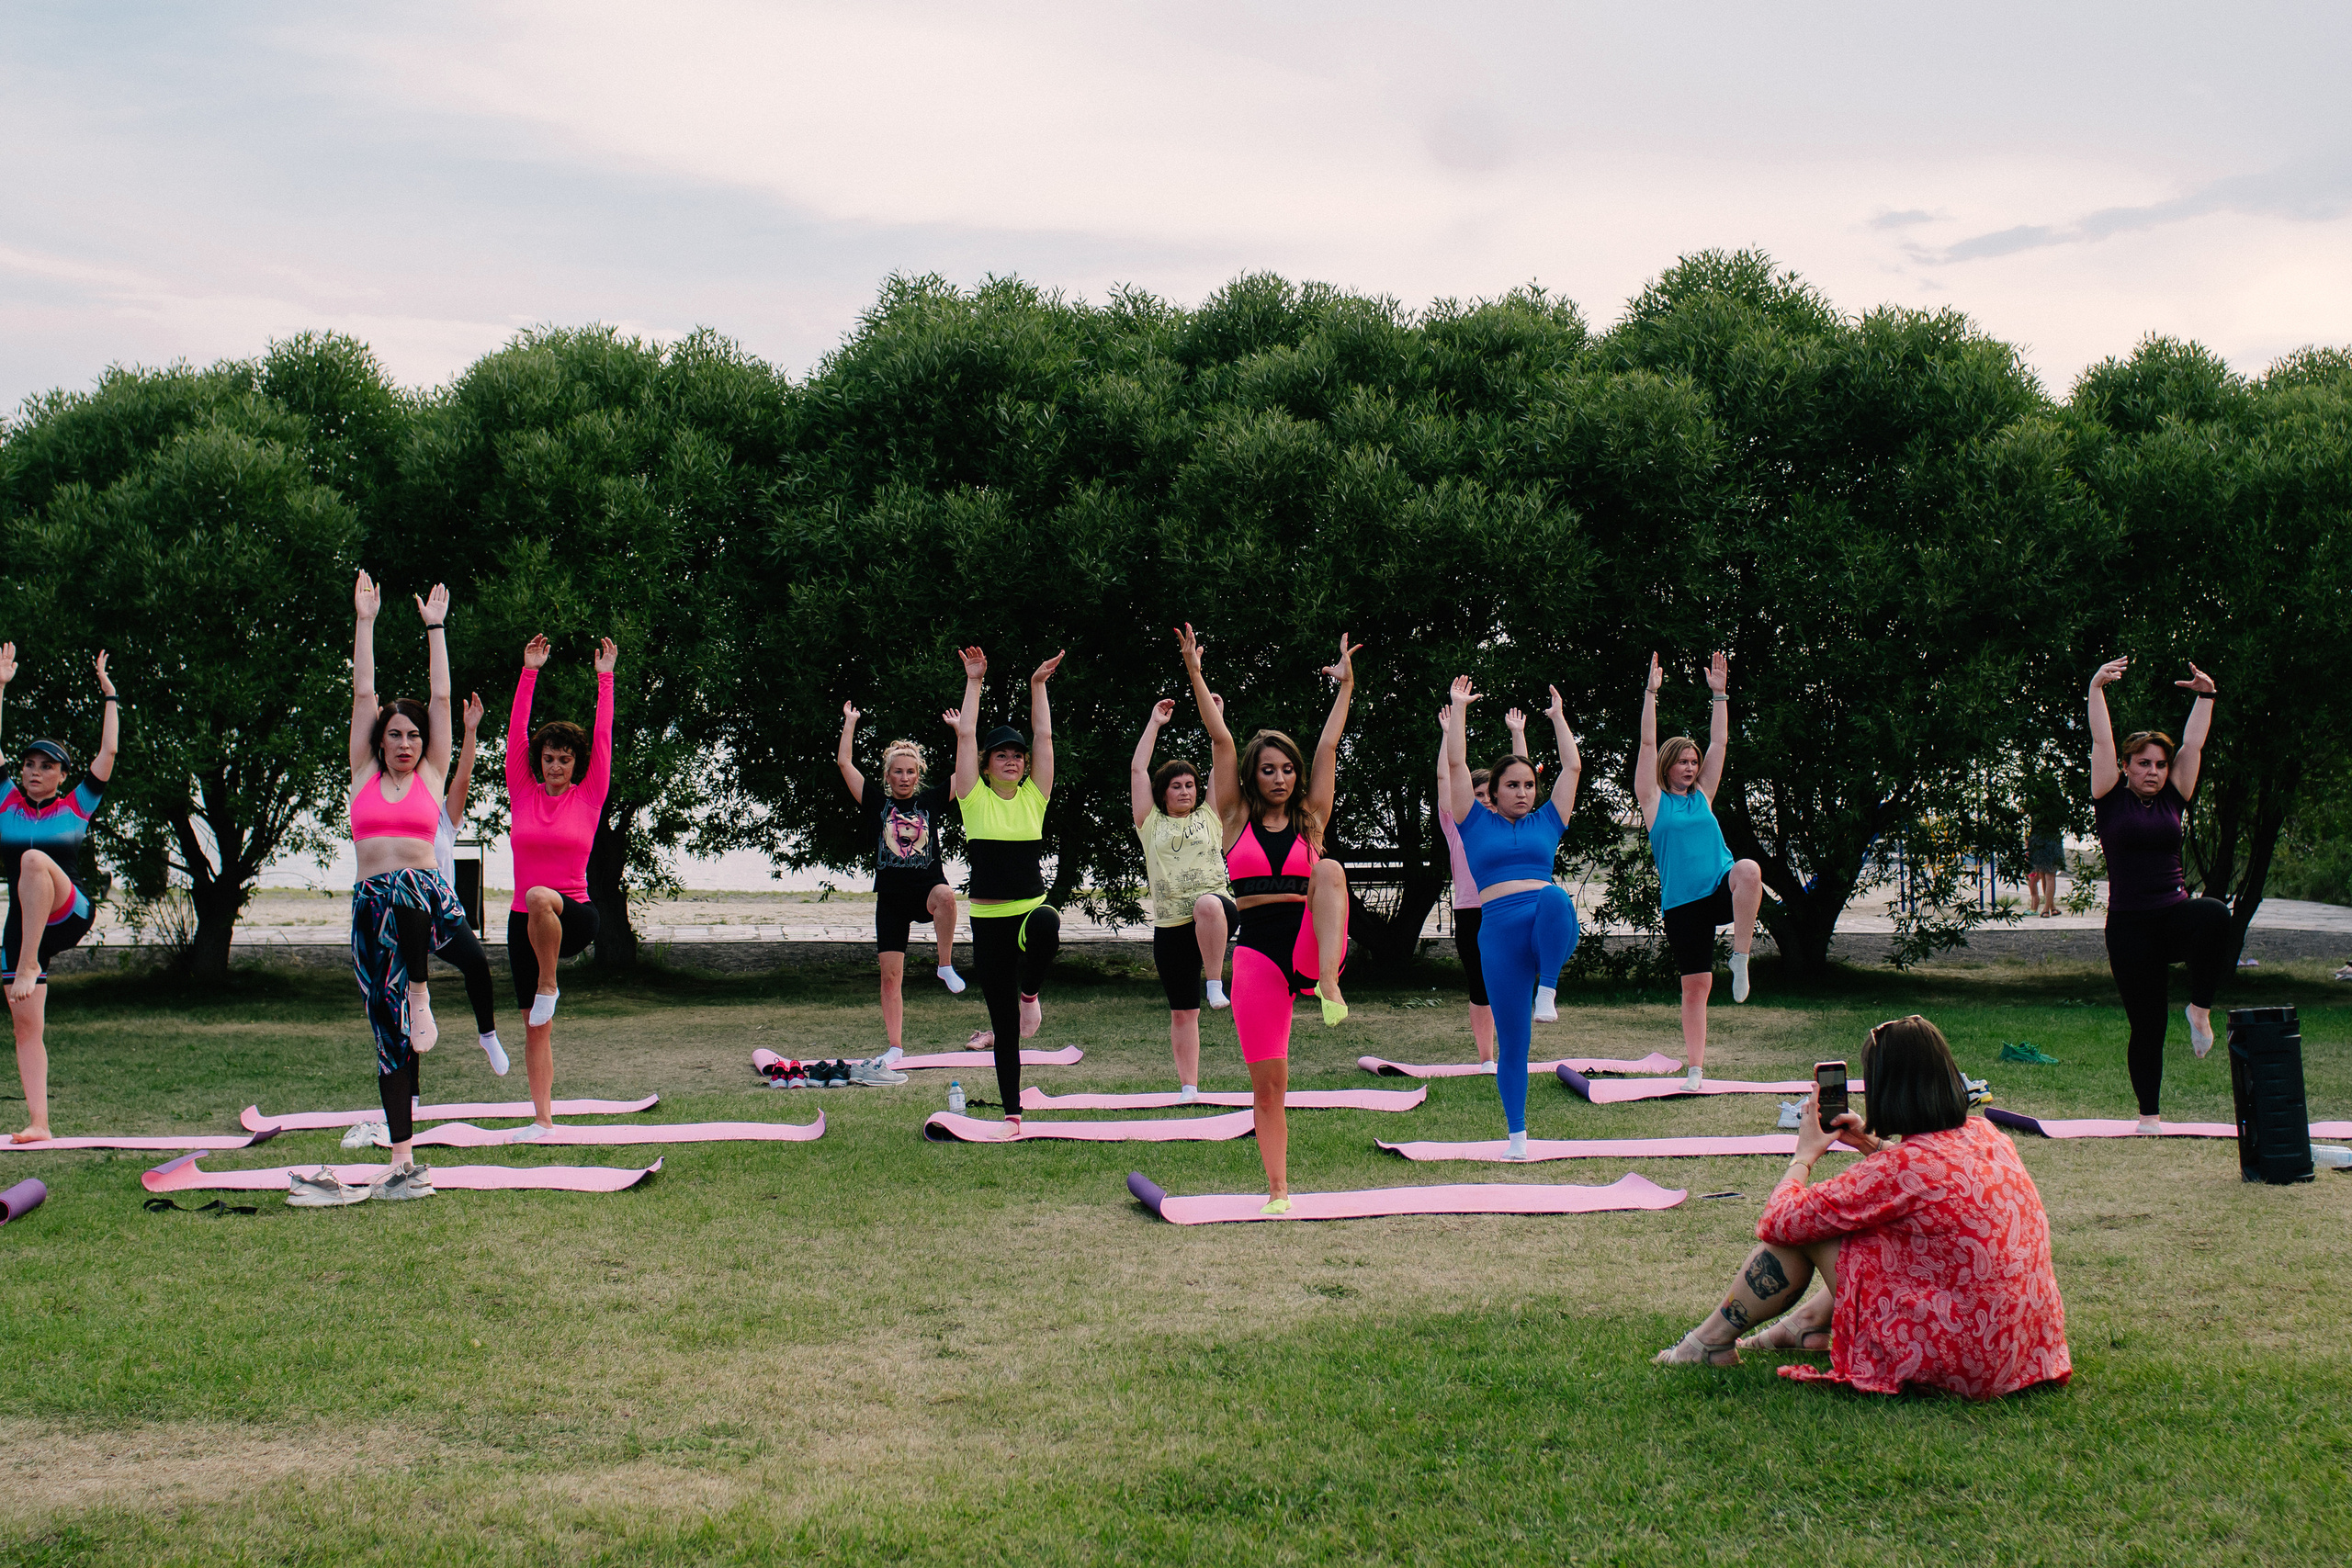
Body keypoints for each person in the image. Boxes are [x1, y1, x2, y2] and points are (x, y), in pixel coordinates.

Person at [1654, 1015, 2073, 1402]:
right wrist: (1869, 1143)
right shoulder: (1987, 1136)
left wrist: (1804, 1155)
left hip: (1960, 1359)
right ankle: (1799, 1329)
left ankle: (1708, 1344)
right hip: (2022, 1350)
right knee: (1874, 1236)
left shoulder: (1902, 1168)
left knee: (1813, 1230)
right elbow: (1935, 1179)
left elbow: (1780, 1221)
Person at [301, 574, 503, 1206]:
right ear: (378, 742)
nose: (406, 743)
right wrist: (366, 619)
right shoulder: (362, 776)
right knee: (387, 1036)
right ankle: (403, 1161)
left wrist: (435, 630)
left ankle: (422, 989)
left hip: (429, 900)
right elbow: (364, 690)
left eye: (413, 735)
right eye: (395, 734)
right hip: (373, 911)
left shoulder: (433, 773)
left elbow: (442, 699)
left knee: (431, 911)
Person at [1181, 624, 1358, 1215]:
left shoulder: (1312, 817)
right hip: (1257, 952)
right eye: (1268, 770)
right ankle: (1279, 1190)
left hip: (1312, 946)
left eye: (1287, 769)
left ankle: (1329, 984)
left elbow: (1330, 747)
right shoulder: (1230, 818)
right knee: (1269, 1086)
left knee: (1328, 870)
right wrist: (1197, 673)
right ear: (1254, 777)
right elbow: (1221, 740)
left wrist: (1345, 686)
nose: (1279, 778)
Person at [1444, 676, 1582, 1159]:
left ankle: (1549, 988)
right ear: (1495, 791)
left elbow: (1572, 766)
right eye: (1513, 786)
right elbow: (1457, 764)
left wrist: (1558, 719)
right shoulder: (1474, 822)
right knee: (1513, 1045)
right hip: (1499, 937)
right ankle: (1518, 1137)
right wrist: (1459, 709)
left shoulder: (1547, 820)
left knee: (1555, 898)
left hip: (1548, 929)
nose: (1523, 793)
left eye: (1529, 785)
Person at [2088, 656, 2225, 1132]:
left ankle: (2200, 1008)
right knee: (2148, 1027)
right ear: (2126, 767)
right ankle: (2149, 1117)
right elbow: (2101, 739)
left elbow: (2194, 742)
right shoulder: (2108, 796)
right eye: (2143, 763)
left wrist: (2206, 696)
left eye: (2160, 765)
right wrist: (2096, 689)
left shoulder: (2173, 797)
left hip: (2172, 916)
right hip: (2128, 928)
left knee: (2213, 914)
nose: (2153, 771)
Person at [503, 633, 618, 1142]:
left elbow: (603, 738)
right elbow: (515, 736)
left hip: (573, 915)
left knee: (539, 896)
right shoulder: (522, 792)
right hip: (523, 926)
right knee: (535, 1028)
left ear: (575, 765)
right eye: (549, 757)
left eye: (564, 759)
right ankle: (543, 1119)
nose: (554, 765)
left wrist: (605, 679)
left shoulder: (589, 796)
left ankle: (550, 981)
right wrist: (529, 671)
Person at [1, 645, 118, 1144]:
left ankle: (29, 964)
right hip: (24, 926)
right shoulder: (5, 803)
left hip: (69, 912)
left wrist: (110, 695)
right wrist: (0, 687)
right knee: (25, 1026)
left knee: (32, 860)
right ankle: (39, 1123)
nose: (33, 771)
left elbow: (108, 754)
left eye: (46, 766)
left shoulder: (76, 806)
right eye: (28, 763)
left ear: (62, 776)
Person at [947, 645, 1065, 1136]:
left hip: (1028, 912)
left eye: (1017, 756)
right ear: (987, 764)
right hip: (989, 923)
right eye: (1003, 756)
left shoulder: (1035, 798)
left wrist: (1038, 687)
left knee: (1049, 921)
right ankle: (1012, 1111)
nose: (1014, 760)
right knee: (1004, 1027)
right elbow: (969, 733)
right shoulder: (972, 799)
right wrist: (974, 681)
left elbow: (1044, 735)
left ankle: (1031, 992)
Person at [1634, 651, 1765, 1089]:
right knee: (1696, 987)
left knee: (1748, 869)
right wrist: (1651, 694)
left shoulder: (1702, 796)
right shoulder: (1654, 801)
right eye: (1683, 762)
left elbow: (1720, 744)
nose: (1691, 768)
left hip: (1717, 888)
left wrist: (1720, 696)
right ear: (1668, 765)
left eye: (1694, 762)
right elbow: (1647, 746)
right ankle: (1695, 1069)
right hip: (1682, 903)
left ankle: (1741, 958)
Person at [838, 702, 967, 1055]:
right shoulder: (877, 803)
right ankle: (895, 1046)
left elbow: (966, 772)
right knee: (890, 978)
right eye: (898, 772)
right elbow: (845, 764)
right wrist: (850, 722)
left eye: (911, 771)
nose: (905, 778)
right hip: (892, 900)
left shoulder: (930, 801)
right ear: (888, 775)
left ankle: (944, 965)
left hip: (926, 891)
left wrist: (960, 733)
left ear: (918, 773)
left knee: (947, 896)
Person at [1130, 697, 1235, 1100]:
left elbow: (1221, 759)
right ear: (1163, 792)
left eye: (1190, 784)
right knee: (1181, 1013)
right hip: (1170, 926)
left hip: (1217, 912)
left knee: (1206, 904)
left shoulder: (1211, 813)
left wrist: (1217, 718)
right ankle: (1189, 1087)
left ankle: (1214, 982)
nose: (1186, 790)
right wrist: (1155, 722)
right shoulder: (1149, 821)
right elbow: (1138, 768)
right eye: (1177, 785)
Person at [1435, 704, 1528, 1072]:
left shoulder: (1510, 824)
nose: (1486, 800)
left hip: (1506, 908)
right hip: (1471, 911)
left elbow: (1522, 779)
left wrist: (1517, 735)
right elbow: (1447, 779)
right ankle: (1487, 1058)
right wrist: (1448, 734)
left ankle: (1513, 1052)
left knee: (1513, 983)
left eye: (1490, 794)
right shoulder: (1458, 824)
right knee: (1480, 986)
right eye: (1478, 794)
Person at [2023, 775, 2065, 919]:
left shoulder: (2035, 802)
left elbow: (2025, 813)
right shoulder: (2057, 803)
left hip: (2037, 838)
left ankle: (2050, 907)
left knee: (2042, 873)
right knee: (2050, 876)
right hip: (2052, 837)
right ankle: (2047, 908)